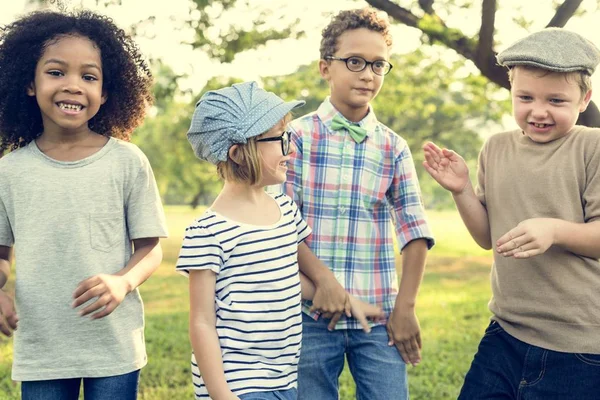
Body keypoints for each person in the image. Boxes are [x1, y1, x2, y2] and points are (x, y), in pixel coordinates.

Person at [177, 81, 384, 400]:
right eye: (280, 139)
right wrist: (221, 394)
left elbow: (288, 277)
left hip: (285, 379)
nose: (290, 149)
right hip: (239, 385)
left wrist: (348, 302)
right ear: (238, 153)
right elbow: (201, 322)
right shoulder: (208, 231)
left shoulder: (285, 209)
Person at [423, 28, 600, 399]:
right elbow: (488, 236)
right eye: (525, 97)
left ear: (584, 99)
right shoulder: (496, 148)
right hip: (506, 331)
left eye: (556, 99)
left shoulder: (591, 147)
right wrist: (462, 190)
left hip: (579, 344)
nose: (538, 111)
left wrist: (554, 230)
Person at [0, 10, 168, 400]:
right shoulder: (10, 171)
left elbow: (150, 248)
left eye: (89, 76)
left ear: (106, 93)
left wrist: (123, 281)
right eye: (56, 72)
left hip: (112, 348)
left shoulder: (128, 161)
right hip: (43, 347)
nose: (73, 85)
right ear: (28, 83)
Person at [283, 8, 435, 400]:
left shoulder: (393, 147)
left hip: (380, 315)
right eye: (355, 62)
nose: (368, 74)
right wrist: (325, 282)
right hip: (310, 314)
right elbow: (283, 222)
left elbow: (415, 232)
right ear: (325, 67)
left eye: (379, 65)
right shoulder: (295, 138)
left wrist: (406, 306)